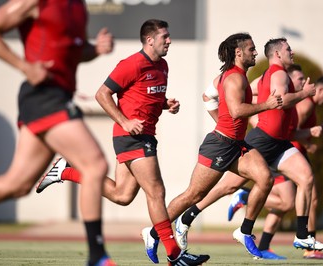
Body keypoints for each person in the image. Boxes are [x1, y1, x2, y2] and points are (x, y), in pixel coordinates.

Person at [36, 19, 210, 266]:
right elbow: (102, 94)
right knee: (156, 191)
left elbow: (144, 96)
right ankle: (174, 254)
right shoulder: (132, 64)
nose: (169, 40)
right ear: (150, 39)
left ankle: (66, 171)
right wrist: (126, 122)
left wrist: (165, 104)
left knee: (122, 195)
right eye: (165, 36)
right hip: (131, 136)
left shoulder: (163, 66)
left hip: (145, 134)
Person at [0, 0, 115, 265]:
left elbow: (75, 50)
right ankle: (97, 257)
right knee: (95, 164)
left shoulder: (78, 6)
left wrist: (95, 49)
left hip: (56, 96)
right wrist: (25, 67)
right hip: (43, 97)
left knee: (17, 185)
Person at [141, 32, 283, 262]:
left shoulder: (233, 76)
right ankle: (154, 231)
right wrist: (265, 105)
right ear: (238, 52)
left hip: (237, 145)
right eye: (251, 49)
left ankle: (245, 230)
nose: (255, 52)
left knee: (265, 178)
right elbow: (237, 111)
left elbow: (208, 96)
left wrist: (223, 121)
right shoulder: (235, 78)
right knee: (193, 195)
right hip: (219, 146)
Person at [174, 64, 323, 260]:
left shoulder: (295, 101)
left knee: (296, 191)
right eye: (299, 79)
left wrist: (308, 133)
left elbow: (287, 130)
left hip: (280, 146)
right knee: (226, 187)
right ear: (287, 79)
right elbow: (244, 100)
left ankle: (297, 237)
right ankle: (187, 216)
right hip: (261, 143)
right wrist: (232, 117)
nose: (303, 82)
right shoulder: (284, 89)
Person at [229, 67, 323, 260]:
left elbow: (290, 129)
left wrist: (308, 142)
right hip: (283, 154)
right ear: (320, 90)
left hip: (288, 151)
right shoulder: (304, 104)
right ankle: (308, 245)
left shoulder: (308, 105)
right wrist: (308, 135)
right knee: (310, 199)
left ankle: (264, 244)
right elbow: (289, 132)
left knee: (286, 202)